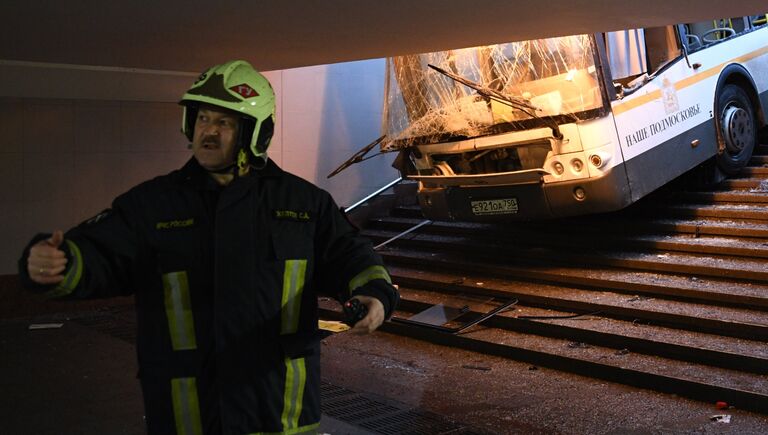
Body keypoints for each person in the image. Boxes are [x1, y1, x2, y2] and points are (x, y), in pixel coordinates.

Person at [19, 59, 400, 435]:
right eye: (202, 119)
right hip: (188, 409)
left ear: (255, 132)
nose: (209, 132)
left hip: (277, 408)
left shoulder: (304, 205)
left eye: (224, 122)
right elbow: (100, 253)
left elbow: (350, 255)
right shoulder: (153, 204)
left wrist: (374, 294)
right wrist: (59, 264)